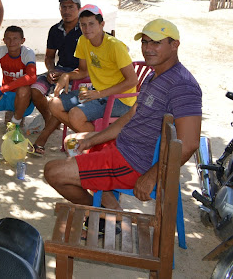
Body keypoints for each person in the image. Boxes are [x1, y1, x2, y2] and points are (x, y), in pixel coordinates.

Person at [44, 19, 201, 211]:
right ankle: (110, 207)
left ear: (174, 45)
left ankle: (101, 214)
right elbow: (131, 115)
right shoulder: (154, 75)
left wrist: (152, 176)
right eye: (145, 42)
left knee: (53, 172)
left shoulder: (183, 85)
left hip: (135, 162)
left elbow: (189, 143)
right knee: (73, 141)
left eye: (156, 42)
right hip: (124, 145)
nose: (148, 49)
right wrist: (93, 140)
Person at [49, 4, 138, 133]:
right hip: (96, 92)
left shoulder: (115, 46)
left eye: (91, 24)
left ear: (102, 24)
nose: (87, 29)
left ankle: (96, 139)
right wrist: (66, 75)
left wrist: (99, 94)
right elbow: (83, 71)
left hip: (121, 99)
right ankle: (96, 137)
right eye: (83, 25)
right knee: (54, 104)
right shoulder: (83, 41)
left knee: (75, 115)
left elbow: (132, 81)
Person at [31, 0, 83, 154]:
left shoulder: (85, 28)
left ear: (79, 9)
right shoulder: (55, 30)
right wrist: (51, 70)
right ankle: (51, 120)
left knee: (58, 99)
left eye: (71, 7)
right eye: (63, 7)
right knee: (34, 89)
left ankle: (42, 138)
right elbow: (49, 57)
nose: (67, 11)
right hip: (60, 69)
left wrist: (68, 75)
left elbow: (87, 66)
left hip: (80, 74)